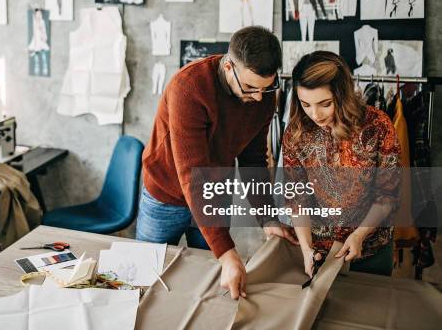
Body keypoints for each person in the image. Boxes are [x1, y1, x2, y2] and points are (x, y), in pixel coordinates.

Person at [137, 26, 298, 300]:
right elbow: (192, 173)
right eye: (249, 87)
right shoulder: (189, 87)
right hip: (166, 195)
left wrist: (267, 217)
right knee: (145, 279)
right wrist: (226, 252)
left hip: (213, 193)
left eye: (266, 87)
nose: (259, 97)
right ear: (227, 66)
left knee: (211, 286)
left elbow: (253, 160)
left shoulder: (263, 94)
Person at [283, 51, 400, 278]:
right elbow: (297, 197)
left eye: (325, 104)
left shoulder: (378, 126)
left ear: (342, 94)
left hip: (370, 245)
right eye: (305, 104)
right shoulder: (297, 132)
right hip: (317, 249)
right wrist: (306, 248)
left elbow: (387, 194)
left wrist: (360, 235)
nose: (315, 114)